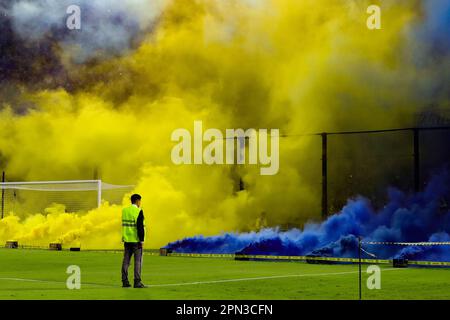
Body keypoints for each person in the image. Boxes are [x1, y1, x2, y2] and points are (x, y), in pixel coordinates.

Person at [121, 193, 146, 288]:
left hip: (127, 240)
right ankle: (137, 281)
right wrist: (142, 240)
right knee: (138, 262)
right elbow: (140, 227)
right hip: (136, 241)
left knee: (126, 261)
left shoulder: (124, 211)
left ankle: (124, 281)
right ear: (138, 201)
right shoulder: (139, 211)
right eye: (140, 201)